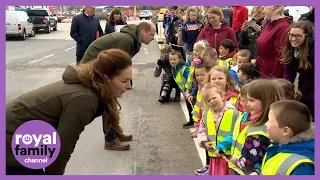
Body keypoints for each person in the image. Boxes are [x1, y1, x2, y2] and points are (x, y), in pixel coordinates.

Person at [6, 49, 133, 175]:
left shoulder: (95, 87)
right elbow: (63, 146)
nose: (128, 86)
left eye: (129, 80)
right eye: (124, 81)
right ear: (106, 78)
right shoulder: (85, 99)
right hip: (10, 135)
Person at [80, 21, 156, 150]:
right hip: (95, 68)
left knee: (111, 102)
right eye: (151, 34)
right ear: (142, 31)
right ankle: (110, 140)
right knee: (108, 102)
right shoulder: (126, 40)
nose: (153, 38)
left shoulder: (131, 39)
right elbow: (116, 64)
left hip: (101, 67)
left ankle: (115, 133)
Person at [254, 100, 314, 175]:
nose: (266, 124)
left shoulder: (302, 167)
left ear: (285, 131)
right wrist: (258, 172)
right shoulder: (277, 145)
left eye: (269, 121)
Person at [198, 83, 241, 175]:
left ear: (222, 96)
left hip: (228, 155)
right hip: (214, 155)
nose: (212, 101)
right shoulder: (206, 114)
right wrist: (204, 142)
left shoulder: (234, 113)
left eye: (214, 98)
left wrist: (224, 145)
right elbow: (202, 129)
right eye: (208, 100)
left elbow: (238, 133)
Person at [281, 20, 314, 120]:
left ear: (306, 36)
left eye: (298, 36)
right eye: (291, 35)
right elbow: (289, 71)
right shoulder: (291, 48)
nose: (293, 39)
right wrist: (286, 87)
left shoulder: (314, 50)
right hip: (304, 83)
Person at [256, 6, 291, 78]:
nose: (262, 12)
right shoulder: (269, 24)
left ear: (272, 7)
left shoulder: (283, 27)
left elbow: (281, 57)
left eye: (263, 8)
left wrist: (273, 79)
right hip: (263, 70)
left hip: (272, 73)